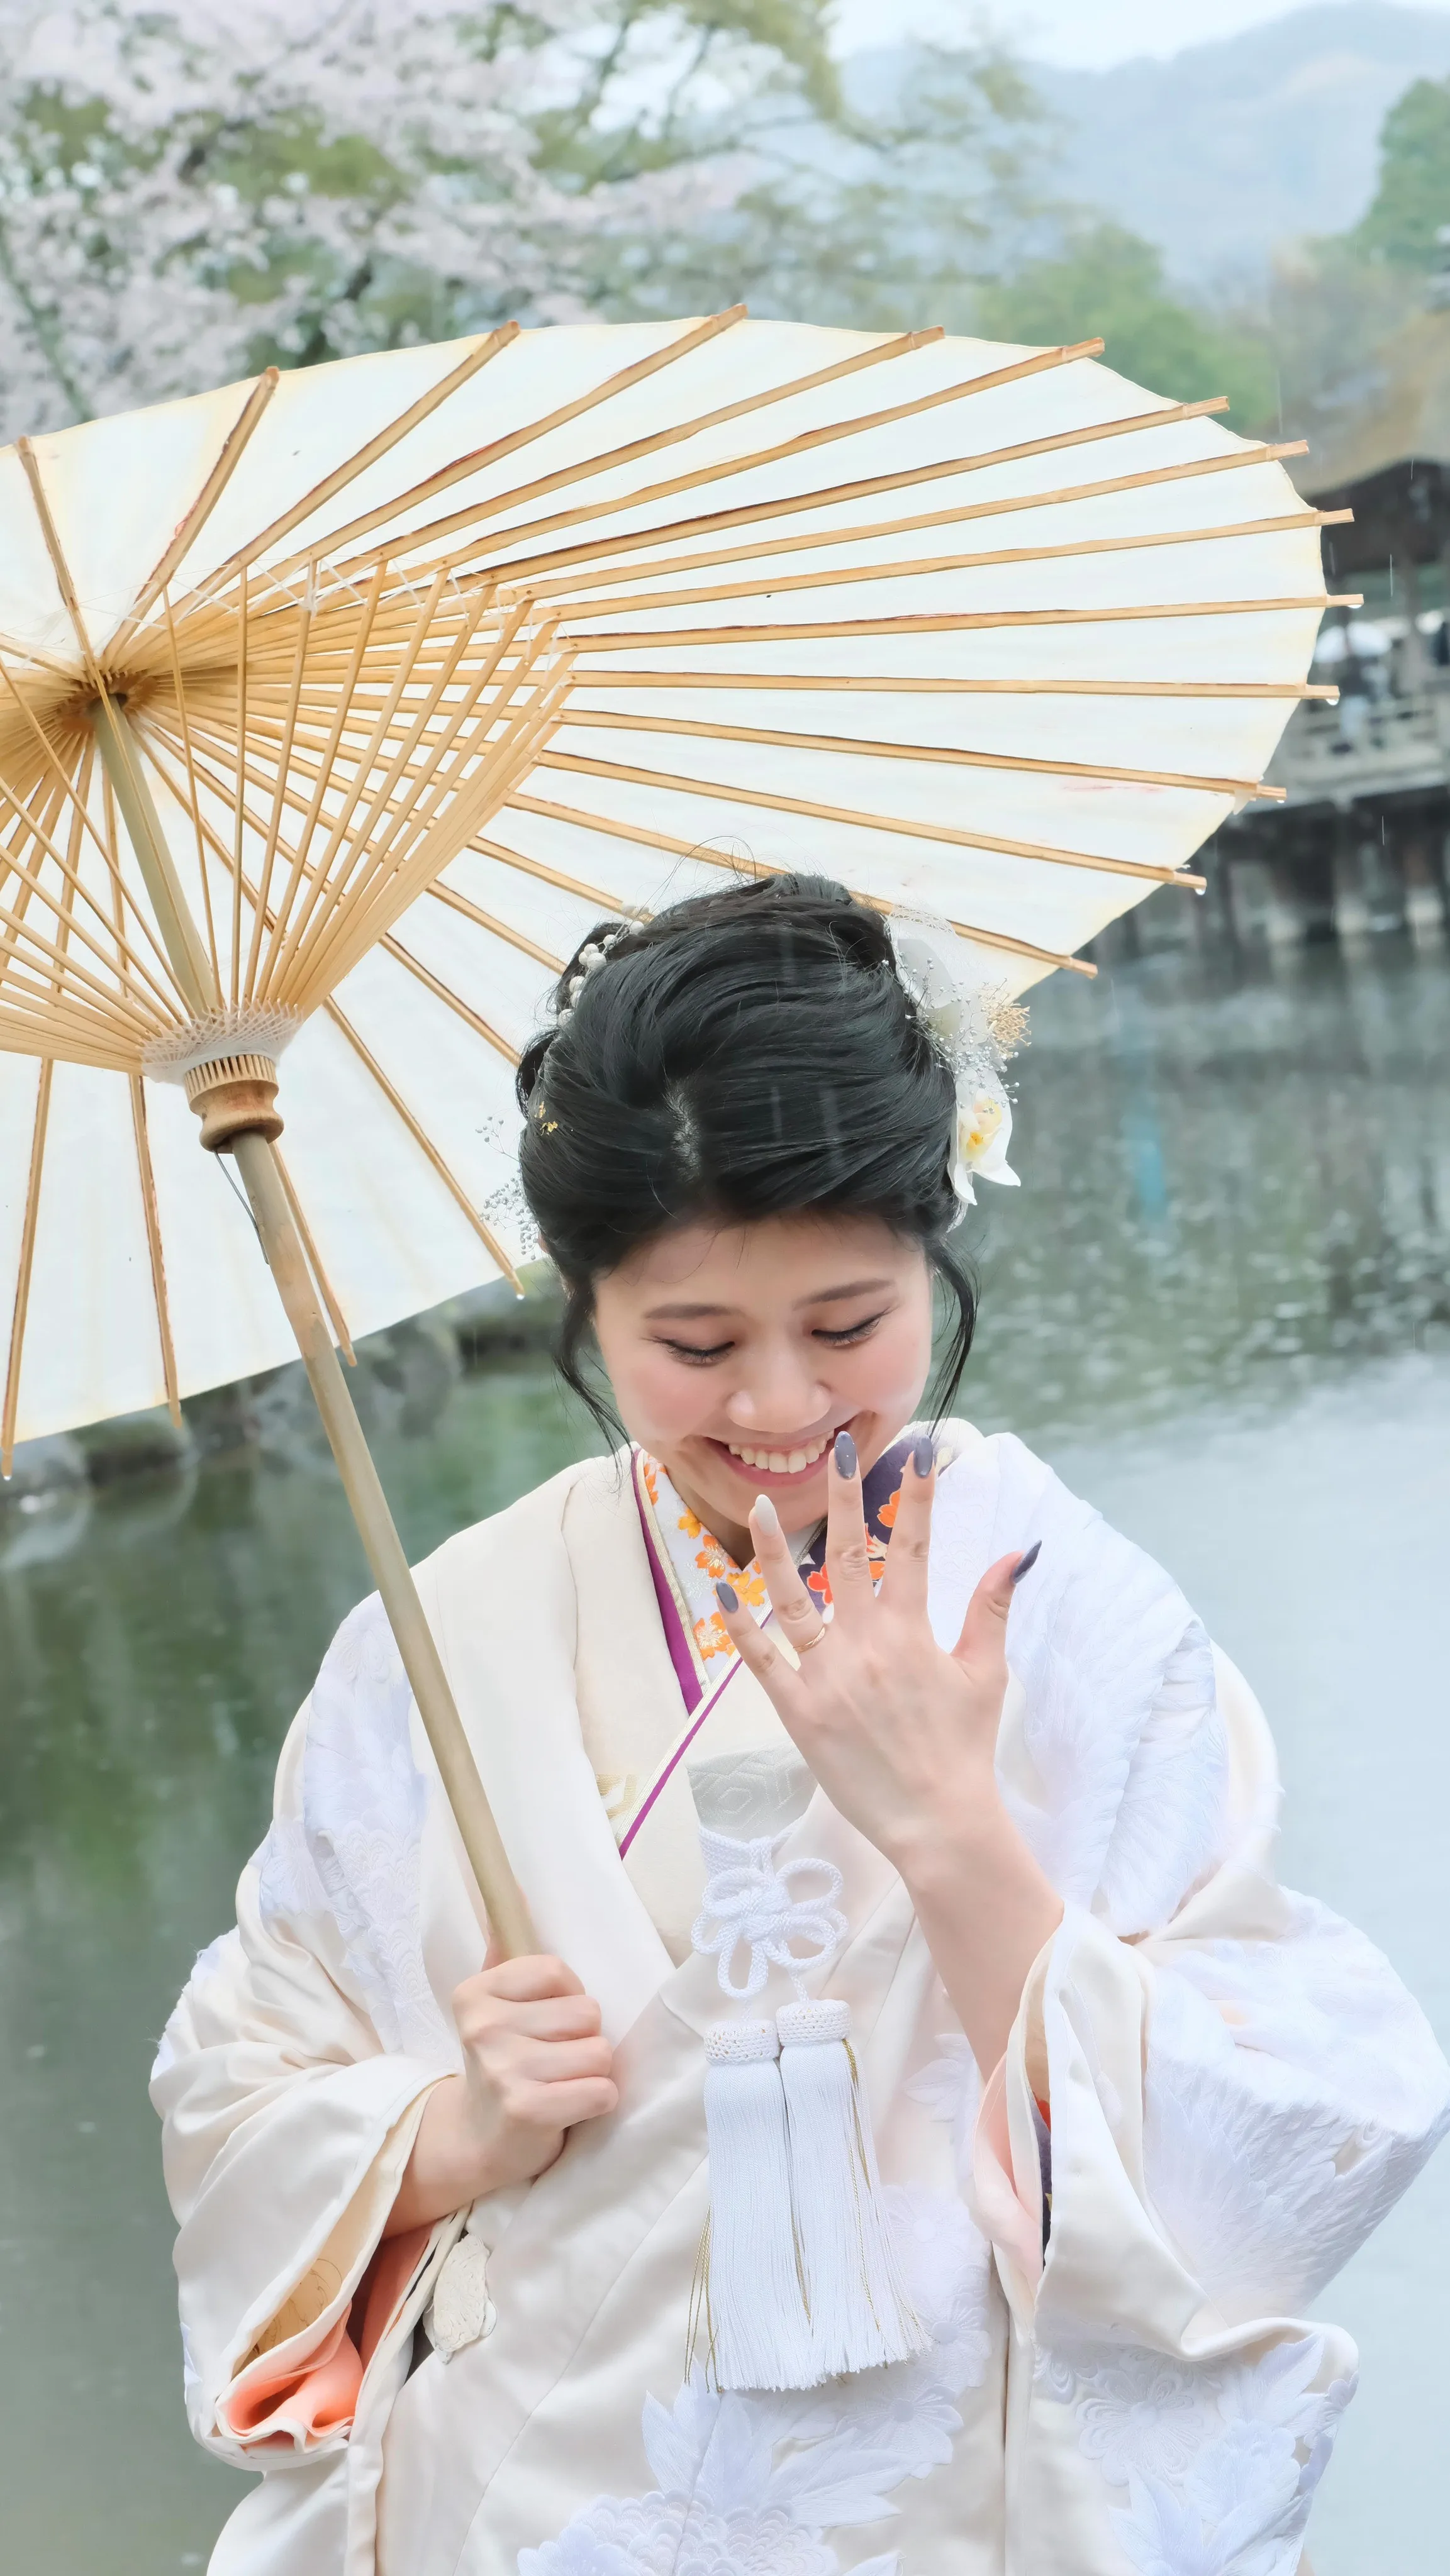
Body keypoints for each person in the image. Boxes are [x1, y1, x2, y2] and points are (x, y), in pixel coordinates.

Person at [153, 875, 1449, 2576]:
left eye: (849, 1326)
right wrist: (447, 2129)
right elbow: (240, 2090)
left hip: (936, 2517)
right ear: (582, 1302)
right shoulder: (434, 1642)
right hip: (534, 2504)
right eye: (693, 1342)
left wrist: (952, 1835)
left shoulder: (1070, 1614)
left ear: (932, 1252)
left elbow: (1293, 2120)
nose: (778, 1408)